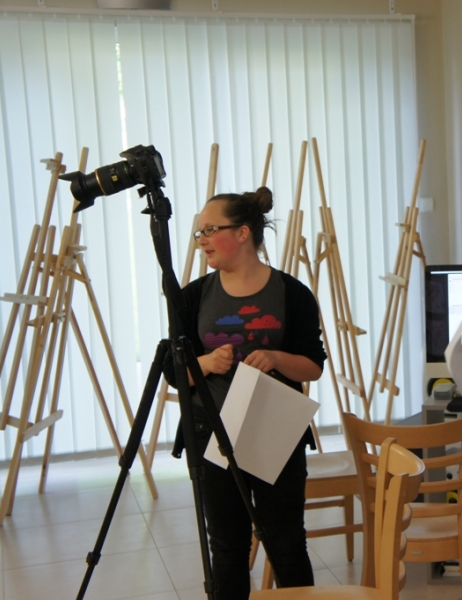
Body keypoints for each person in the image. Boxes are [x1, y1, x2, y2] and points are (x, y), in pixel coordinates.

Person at [163, 187, 325, 599]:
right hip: (212, 433)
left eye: (210, 230)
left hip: (276, 429)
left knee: (287, 544)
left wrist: (275, 357)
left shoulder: (292, 293)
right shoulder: (193, 296)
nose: (201, 240)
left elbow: (313, 366)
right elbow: (172, 372)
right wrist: (204, 363)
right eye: (199, 232)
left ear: (242, 233)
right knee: (227, 547)